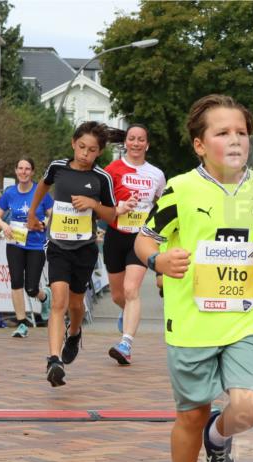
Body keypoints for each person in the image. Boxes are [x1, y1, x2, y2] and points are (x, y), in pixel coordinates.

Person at [134, 94, 253, 462]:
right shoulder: (179, 190)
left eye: (241, 132)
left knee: (252, 406)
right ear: (200, 145)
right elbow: (143, 241)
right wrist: (158, 262)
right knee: (192, 415)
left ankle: (219, 440)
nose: (235, 140)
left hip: (246, 317)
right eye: (223, 133)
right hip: (192, 322)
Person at [29, 123, 123, 387]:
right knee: (58, 301)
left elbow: (112, 214)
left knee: (75, 304)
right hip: (58, 246)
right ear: (73, 144)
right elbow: (42, 185)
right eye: (81, 147)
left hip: (85, 248)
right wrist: (32, 213)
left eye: (92, 150)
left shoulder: (101, 178)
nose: (85, 154)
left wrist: (93, 204)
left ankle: (75, 332)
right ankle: (53, 360)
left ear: (99, 152)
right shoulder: (57, 167)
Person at [102, 123, 166, 365]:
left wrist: (158, 230)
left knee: (132, 291)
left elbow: (161, 205)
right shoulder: (111, 170)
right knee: (119, 295)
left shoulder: (156, 175)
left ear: (147, 144)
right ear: (125, 143)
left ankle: (126, 343)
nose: (136, 143)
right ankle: (126, 313)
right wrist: (119, 208)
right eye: (132, 139)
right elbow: (103, 207)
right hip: (116, 236)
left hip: (141, 238)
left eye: (141, 139)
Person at [0, 157, 54, 338]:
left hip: (36, 244)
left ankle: (44, 296)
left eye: (27, 169)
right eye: (20, 168)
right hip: (15, 243)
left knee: (31, 288)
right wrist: (5, 226)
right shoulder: (10, 193)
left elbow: (53, 214)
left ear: (32, 172)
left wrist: (42, 222)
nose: (23, 172)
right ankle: (21, 323)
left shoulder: (41, 192)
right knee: (16, 282)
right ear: (16, 171)